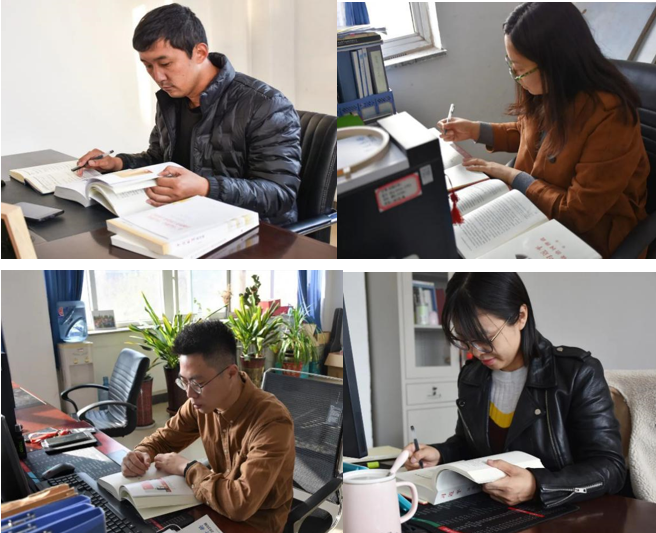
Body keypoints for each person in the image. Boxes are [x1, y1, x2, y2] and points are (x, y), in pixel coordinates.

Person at [437, 2, 649, 258]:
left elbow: (577, 214)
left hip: (591, 236)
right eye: (510, 65)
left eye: (519, 69)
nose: (515, 76)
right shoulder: (551, 91)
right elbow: (531, 135)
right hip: (535, 209)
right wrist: (475, 131)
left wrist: (511, 175)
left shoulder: (611, 117)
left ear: (555, 63)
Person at [404, 272, 626, 508]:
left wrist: (537, 486)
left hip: (564, 513)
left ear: (521, 316)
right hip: (493, 507)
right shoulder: (472, 376)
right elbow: (470, 445)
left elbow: (610, 468)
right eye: (465, 341)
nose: (476, 352)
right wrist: (441, 454)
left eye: (485, 338)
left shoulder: (576, 373)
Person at [76, 3, 301, 226]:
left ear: (200, 53)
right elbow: (159, 159)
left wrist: (206, 188)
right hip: (186, 220)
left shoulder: (266, 106)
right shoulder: (171, 100)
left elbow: (280, 194)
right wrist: (117, 163)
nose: (158, 77)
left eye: (165, 63)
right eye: (148, 66)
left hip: (252, 231)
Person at [121, 320, 295, 533]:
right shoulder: (200, 404)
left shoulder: (271, 421)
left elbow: (241, 504)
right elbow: (164, 439)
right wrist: (141, 453)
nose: (189, 394)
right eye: (184, 382)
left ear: (231, 373)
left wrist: (187, 468)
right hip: (212, 505)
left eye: (197, 383)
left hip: (256, 522)